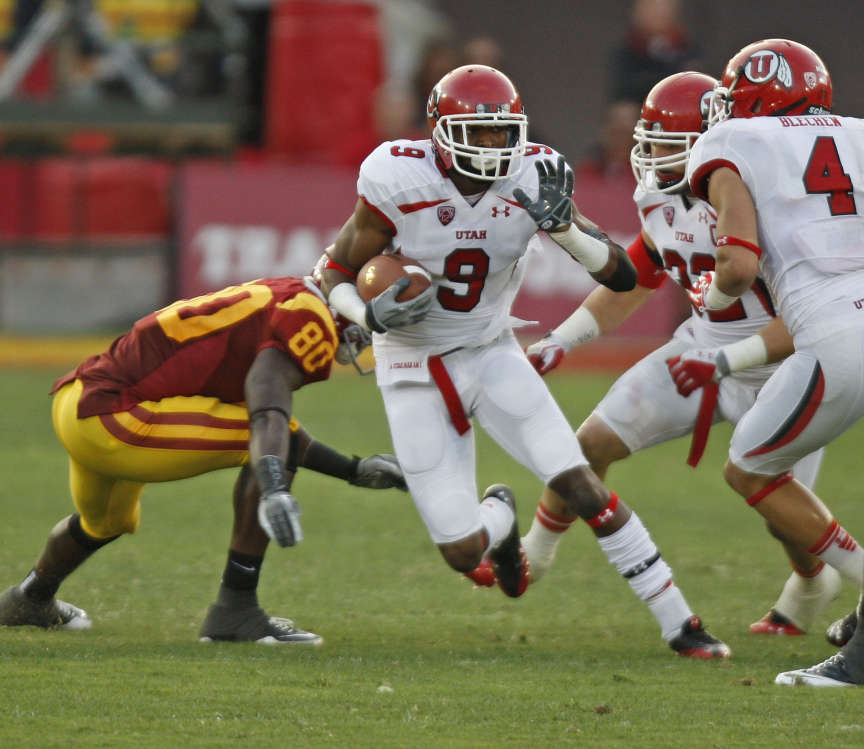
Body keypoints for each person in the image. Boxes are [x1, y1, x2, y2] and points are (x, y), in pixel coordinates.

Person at [319, 62, 729, 658]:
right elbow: (334, 271)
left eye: (500, 132)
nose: (491, 146)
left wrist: (565, 230)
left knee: (580, 484)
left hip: (488, 349)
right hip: (410, 362)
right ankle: (501, 521)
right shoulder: (397, 176)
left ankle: (681, 624)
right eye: (477, 133)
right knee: (461, 550)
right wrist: (367, 316)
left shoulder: (534, 174)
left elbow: (618, 274)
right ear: (440, 130)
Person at [513, 71, 842, 638]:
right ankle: (534, 552)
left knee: (785, 519)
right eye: (653, 142)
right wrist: (560, 340)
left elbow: (809, 313)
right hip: (701, 348)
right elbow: (635, 281)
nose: (654, 157)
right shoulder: (662, 200)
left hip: (781, 364)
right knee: (588, 444)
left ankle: (813, 582)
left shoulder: (765, 200)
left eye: (669, 145)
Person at [0, 272, 407, 644]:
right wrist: (345, 471)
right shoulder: (309, 320)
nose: (363, 341)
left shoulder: (289, 292)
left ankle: (29, 599)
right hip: (114, 417)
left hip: (77, 402)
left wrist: (352, 470)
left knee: (109, 521)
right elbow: (269, 422)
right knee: (267, 442)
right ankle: (236, 610)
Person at [682, 39, 864, 686]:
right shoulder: (858, 133)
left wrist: (716, 294)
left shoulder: (733, 139)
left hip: (838, 328)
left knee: (754, 465)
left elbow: (739, 263)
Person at [609, 0, 700, 106]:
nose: (659, 13)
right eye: (652, 6)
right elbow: (622, 94)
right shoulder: (627, 52)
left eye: (664, 7)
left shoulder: (687, 49)